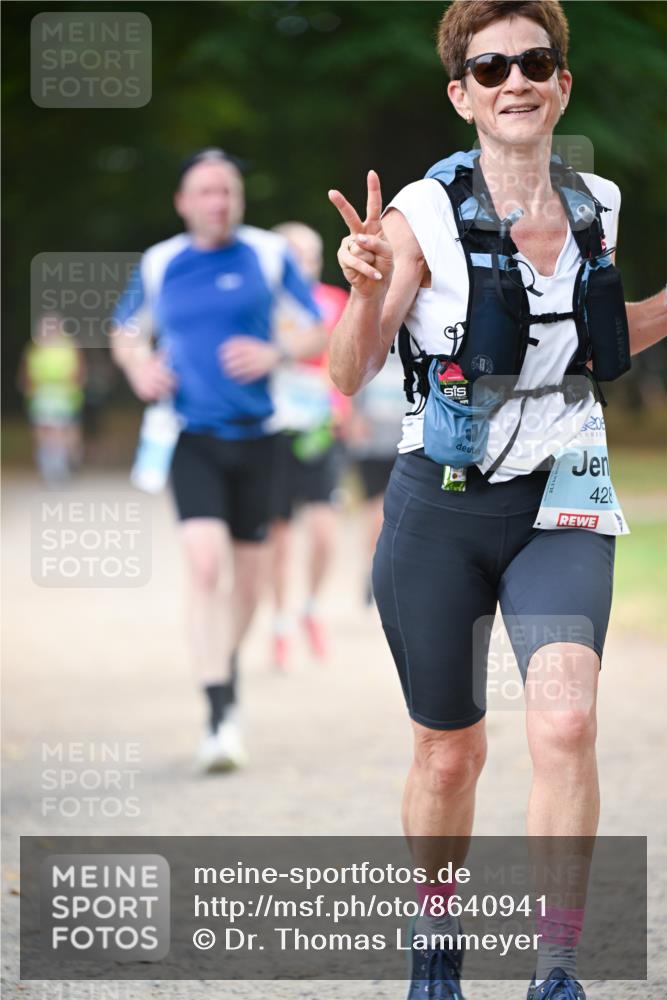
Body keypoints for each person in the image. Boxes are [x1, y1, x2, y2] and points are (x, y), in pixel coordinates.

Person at [328, 3, 666, 997]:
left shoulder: (595, 200)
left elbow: (601, 343)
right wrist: (361, 291)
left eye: (535, 62)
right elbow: (346, 376)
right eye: (491, 68)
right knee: (447, 754)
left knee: (563, 724)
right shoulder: (421, 217)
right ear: (461, 92)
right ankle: (435, 947)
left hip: (564, 489)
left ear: (561, 82)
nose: (515, 80)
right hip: (440, 504)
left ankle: (554, 966)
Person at [111, 149, 325, 772]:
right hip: (190, 435)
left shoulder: (267, 254)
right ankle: (218, 708)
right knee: (205, 566)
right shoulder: (160, 263)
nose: (218, 202)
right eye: (205, 192)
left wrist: (275, 354)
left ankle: (222, 668)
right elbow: (126, 329)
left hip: (261, 437)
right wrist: (138, 365)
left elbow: (316, 328)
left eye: (227, 190)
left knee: (250, 585)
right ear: (183, 201)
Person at [267, 222, 349, 668]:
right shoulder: (260, 303)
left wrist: (345, 409)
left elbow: (350, 360)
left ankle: (311, 607)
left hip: (321, 428)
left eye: (309, 254)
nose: (302, 263)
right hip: (273, 430)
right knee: (278, 536)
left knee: (323, 530)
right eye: (291, 254)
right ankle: (280, 623)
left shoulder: (335, 301)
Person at [345, 346, 407, 605]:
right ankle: (373, 568)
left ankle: (384, 570)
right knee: (376, 511)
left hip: (405, 442)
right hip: (372, 443)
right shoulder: (374, 339)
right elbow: (351, 380)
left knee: (398, 512)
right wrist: (354, 420)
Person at [18, 313, 86, 485]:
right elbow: (26, 372)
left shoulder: (69, 347)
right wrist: (28, 388)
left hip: (65, 397)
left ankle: (63, 463)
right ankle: (49, 464)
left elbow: (79, 371)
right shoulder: (34, 347)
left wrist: (74, 387)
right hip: (41, 397)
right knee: (43, 432)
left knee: (62, 432)